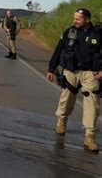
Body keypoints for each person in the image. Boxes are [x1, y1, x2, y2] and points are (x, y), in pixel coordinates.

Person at [46, 8, 100, 153]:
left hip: (90, 73)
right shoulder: (69, 32)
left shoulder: (98, 34)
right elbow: (58, 50)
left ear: (87, 19)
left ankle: (89, 136)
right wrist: (51, 69)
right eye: (74, 18)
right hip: (70, 71)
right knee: (67, 98)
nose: (74, 21)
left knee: (93, 102)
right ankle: (61, 121)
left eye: (78, 19)